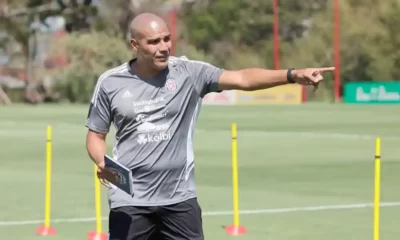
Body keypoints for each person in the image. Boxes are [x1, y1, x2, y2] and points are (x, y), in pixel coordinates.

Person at [85, 12, 334, 240]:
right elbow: (95, 135)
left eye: (167, 39)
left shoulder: (190, 73)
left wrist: (292, 75)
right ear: (134, 45)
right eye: (154, 42)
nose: (164, 47)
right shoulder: (110, 83)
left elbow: (242, 78)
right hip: (129, 201)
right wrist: (102, 162)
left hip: (179, 199)